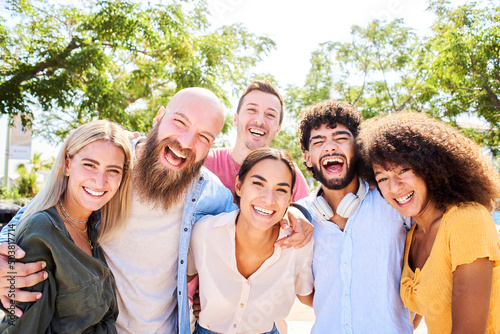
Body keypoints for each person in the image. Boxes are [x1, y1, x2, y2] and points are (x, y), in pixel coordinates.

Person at [0, 88, 312, 334]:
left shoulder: (209, 192)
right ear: (159, 116)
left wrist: (297, 212)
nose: (186, 142)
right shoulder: (112, 169)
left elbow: (256, 217)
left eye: (204, 136)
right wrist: (2, 253)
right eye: (180, 122)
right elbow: (33, 215)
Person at [357, 111, 500, 333]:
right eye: (383, 178)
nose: (394, 187)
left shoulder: (467, 220)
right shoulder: (412, 235)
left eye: (403, 170)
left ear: (429, 167)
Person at [0, 120, 133, 333]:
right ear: (68, 164)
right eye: (90, 165)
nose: (99, 181)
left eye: (113, 170)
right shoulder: (40, 232)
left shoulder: (92, 227)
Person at [295, 99, 413, 333]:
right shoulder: (300, 215)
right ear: (308, 158)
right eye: (318, 142)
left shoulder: (393, 202)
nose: (329, 147)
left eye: (340, 138)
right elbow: (307, 296)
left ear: (358, 149)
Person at [187, 148, 314, 334]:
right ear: (239, 186)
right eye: (258, 184)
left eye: (281, 190)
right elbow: (177, 285)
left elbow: (309, 296)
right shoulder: (204, 233)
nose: (268, 199)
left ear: (289, 201)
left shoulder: (299, 245)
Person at [204, 79, 310, 201]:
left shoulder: (290, 175)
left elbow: (308, 216)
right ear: (235, 119)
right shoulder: (206, 162)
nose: (260, 120)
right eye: (252, 110)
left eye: (270, 115)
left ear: (277, 130)